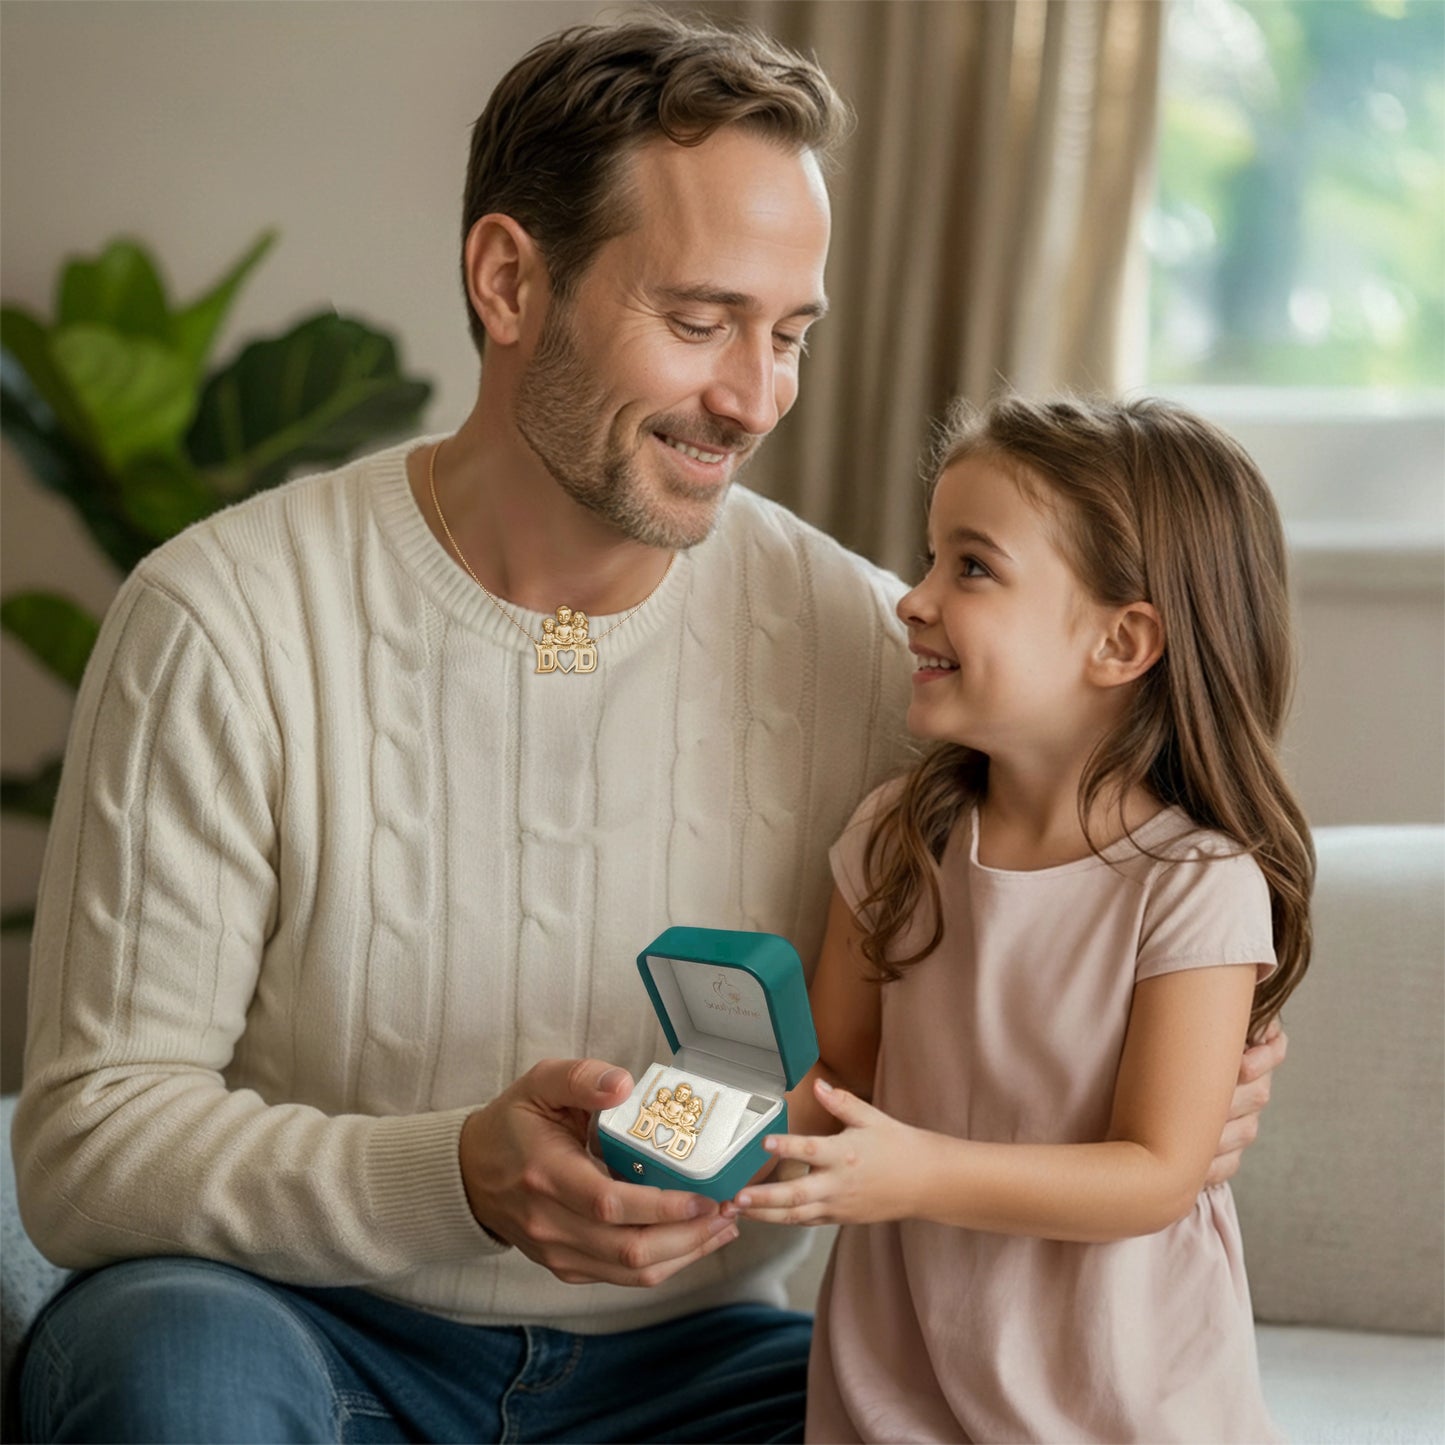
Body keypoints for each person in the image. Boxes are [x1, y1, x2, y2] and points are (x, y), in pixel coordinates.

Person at [13, 16, 1284, 1444]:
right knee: (178, 1377)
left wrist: (1159, 1093)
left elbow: (1090, 896)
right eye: (698, 322)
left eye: (788, 336)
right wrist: (455, 1175)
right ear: (510, 281)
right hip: (300, 1327)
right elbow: (86, 1145)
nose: (753, 398)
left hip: (698, 1369)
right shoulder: (224, 621)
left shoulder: (882, 653)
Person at [730, 394, 1313, 1443]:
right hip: (892, 1392)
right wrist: (696, 1134)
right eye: (929, 558)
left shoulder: (1193, 881)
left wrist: (917, 1171)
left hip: (1120, 1407)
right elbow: (832, 1078)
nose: (912, 600)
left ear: (1120, 640)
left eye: (970, 566)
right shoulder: (893, 838)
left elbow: (1155, 1172)